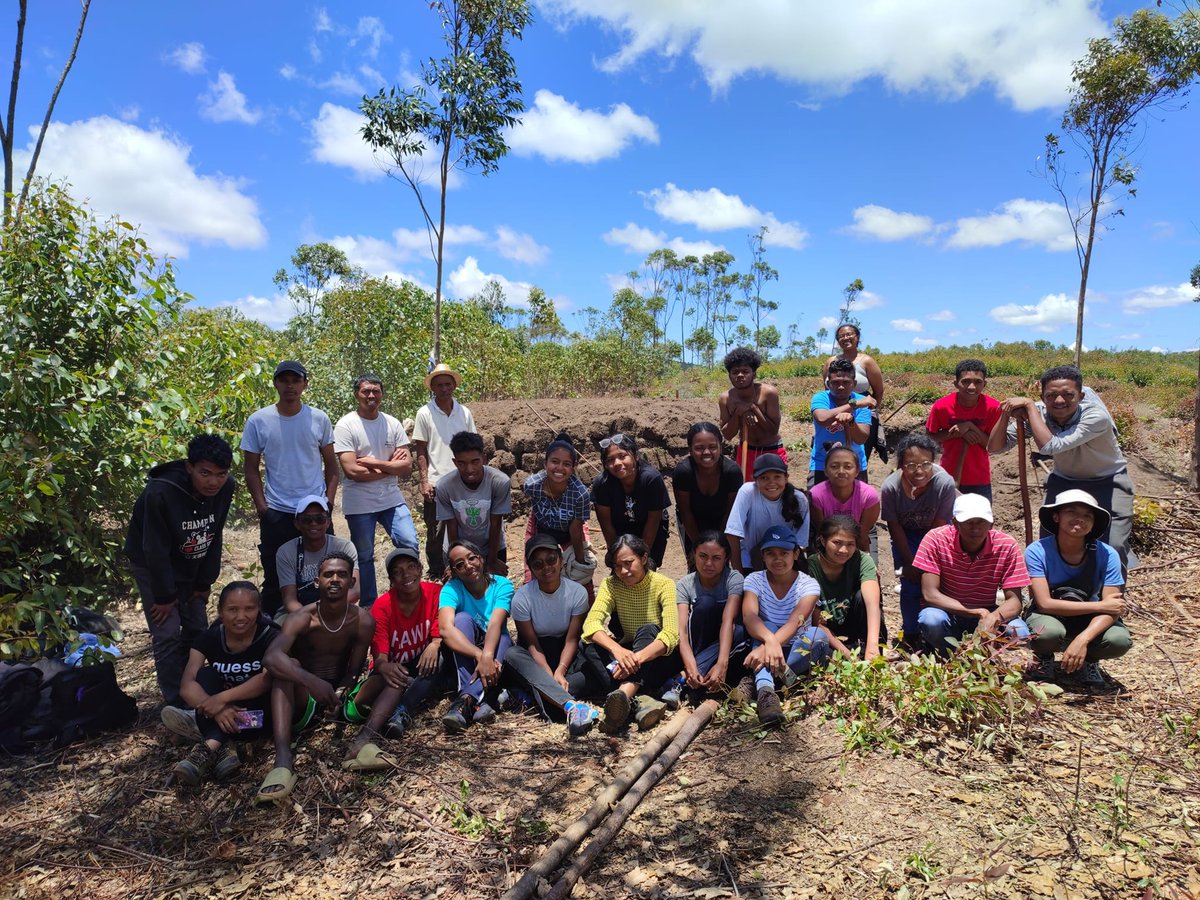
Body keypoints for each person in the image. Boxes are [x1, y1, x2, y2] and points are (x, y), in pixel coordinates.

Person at [126, 433, 235, 719]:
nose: (213, 482)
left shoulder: (226, 488)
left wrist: (203, 583)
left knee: (197, 626)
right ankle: (176, 703)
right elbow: (154, 549)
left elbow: (215, 533)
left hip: (193, 558)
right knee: (167, 632)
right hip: (153, 564)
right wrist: (164, 597)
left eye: (220, 474)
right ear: (189, 467)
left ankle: (196, 690)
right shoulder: (160, 492)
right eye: (205, 473)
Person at [988, 364, 1134, 568]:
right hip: (1065, 480)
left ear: (1081, 396)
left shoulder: (1095, 416)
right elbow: (994, 447)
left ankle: (1111, 598)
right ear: (1043, 396)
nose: (1059, 401)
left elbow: (1050, 447)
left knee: (1114, 545)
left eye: (1068, 395)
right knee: (1051, 539)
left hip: (1108, 482)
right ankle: (1051, 595)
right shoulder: (1039, 413)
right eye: (1051, 395)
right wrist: (1006, 413)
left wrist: (1029, 406)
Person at [258, 552, 373, 803]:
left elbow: (354, 668)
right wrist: (312, 682)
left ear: (352, 583)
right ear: (316, 582)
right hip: (303, 696)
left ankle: (365, 743)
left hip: (335, 696)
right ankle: (283, 759)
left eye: (342, 575)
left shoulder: (362, 620)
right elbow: (271, 657)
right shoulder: (302, 617)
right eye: (328, 574)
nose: (335, 579)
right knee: (286, 666)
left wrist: (341, 691)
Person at [242, 360, 339, 618]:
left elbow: (331, 465)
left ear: (305, 384)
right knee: (275, 576)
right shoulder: (259, 420)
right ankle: (273, 636)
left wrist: (327, 503)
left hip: (315, 510)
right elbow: (250, 468)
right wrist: (263, 508)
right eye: (284, 380)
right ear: (275, 383)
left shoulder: (318, 418)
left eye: (296, 380)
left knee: (325, 572)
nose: (290, 386)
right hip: (278, 510)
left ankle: (325, 628)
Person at [342, 547, 445, 771]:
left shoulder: (436, 593)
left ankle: (369, 736)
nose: (406, 575)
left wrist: (435, 643)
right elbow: (380, 657)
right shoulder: (383, 605)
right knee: (395, 677)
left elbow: (442, 626)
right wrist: (384, 666)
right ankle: (365, 737)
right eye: (398, 572)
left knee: (441, 658)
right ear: (391, 580)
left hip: (420, 665)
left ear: (420, 569)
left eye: (410, 567)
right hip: (387, 671)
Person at [171, 582, 278, 787]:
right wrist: (218, 709)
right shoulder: (208, 638)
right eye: (232, 609)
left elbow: (266, 680)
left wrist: (219, 700)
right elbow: (187, 685)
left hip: (259, 717)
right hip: (219, 715)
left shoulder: (271, 635)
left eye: (249, 609)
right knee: (206, 674)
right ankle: (223, 747)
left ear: (259, 610)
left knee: (270, 686)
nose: (241, 616)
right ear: (220, 612)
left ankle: (207, 748)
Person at [1025, 491, 1132, 686]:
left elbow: (1113, 608)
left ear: (1093, 523)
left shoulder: (1107, 555)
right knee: (1046, 633)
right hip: (1051, 616)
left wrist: (1083, 639)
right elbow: (1044, 604)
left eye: (1087, 515)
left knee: (1119, 640)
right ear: (1056, 516)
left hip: (1089, 620)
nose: (1079, 519)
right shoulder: (1037, 551)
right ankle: (1043, 657)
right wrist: (1100, 606)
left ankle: (1090, 660)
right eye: (1071, 512)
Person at [334, 373, 418, 608]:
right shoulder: (346, 425)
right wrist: (390, 467)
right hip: (359, 504)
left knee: (409, 542)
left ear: (382, 394)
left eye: (376, 391)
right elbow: (352, 470)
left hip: (391, 498)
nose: (371, 395)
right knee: (364, 555)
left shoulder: (391, 423)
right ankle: (370, 605)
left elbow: (406, 466)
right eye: (366, 391)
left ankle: (401, 594)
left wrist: (373, 462)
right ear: (356, 394)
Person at [506, 534, 602, 736]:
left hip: (567, 655)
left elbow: (573, 638)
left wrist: (560, 670)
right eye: (538, 564)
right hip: (537, 657)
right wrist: (549, 676)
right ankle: (570, 705)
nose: (546, 568)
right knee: (512, 654)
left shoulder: (577, 592)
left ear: (561, 560)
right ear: (531, 568)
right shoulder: (522, 598)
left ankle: (540, 695)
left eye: (551, 560)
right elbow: (531, 644)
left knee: (596, 666)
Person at [579, 535, 676, 734]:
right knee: (587, 645)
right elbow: (590, 624)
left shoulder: (663, 584)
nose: (623, 571)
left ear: (644, 558)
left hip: (655, 658)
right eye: (617, 566)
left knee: (648, 629)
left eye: (628, 563)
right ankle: (639, 698)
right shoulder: (611, 584)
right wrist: (618, 650)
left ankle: (623, 694)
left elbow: (671, 634)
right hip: (629, 657)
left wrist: (635, 659)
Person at [913, 495, 1031, 654]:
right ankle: (947, 654)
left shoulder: (1007, 546)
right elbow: (930, 594)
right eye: (969, 523)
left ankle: (987, 657)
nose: (975, 529)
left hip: (988, 612)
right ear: (955, 523)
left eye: (981, 522)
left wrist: (994, 617)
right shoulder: (935, 539)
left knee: (1020, 633)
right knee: (931, 620)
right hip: (948, 612)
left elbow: (1015, 601)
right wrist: (975, 612)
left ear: (991, 524)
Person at [741, 525, 830, 726]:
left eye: (784, 553)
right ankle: (767, 695)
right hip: (766, 643)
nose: (778, 559)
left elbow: (794, 622)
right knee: (768, 625)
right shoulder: (754, 580)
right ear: (763, 557)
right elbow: (749, 616)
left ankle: (761, 681)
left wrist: (768, 645)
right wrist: (770, 640)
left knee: (819, 637)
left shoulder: (808, 585)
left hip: (795, 650)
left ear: (796, 554)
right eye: (771, 553)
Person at [879, 433, 956, 642]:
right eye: (911, 465)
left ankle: (942, 631)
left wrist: (924, 562)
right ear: (902, 465)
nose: (919, 471)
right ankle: (911, 634)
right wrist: (909, 561)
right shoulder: (890, 488)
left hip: (936, 533)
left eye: (925, 464)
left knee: (937, 581)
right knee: (910, 582)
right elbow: (894, 526)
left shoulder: (944, 483)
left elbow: (940, 523)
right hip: (906, 535)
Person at [437, 540, 514, 732]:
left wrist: (487, 655)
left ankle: (465, 702)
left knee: (504, 638)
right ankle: (485, 699)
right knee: (461, 619)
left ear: (481, 558)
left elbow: (496, 623)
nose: (468, 565)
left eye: (471, 558)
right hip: (468, 648)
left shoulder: (502, 584)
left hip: (495, 644)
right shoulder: (451, 588)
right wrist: (479, 655)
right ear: (454, 571)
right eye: (460, 564)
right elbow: (446, 629)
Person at [412, 362, 477, 577]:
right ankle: (437, 572)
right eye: (439, 385)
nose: (444, 388)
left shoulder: (464, 412)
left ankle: (462, 568)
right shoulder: (425, 413)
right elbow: (421, 449)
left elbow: (473, 445)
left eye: (448, 384)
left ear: (454, 386)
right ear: (432, 387)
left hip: (463, 479)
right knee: (436, 531)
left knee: (466, 525)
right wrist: (424, 481)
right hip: (437, 481)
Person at [521, 434, 597, 593]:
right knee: (534, 575)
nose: (560, 468)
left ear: (573, 467)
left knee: (580, 578)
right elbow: (534, 514)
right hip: (541, 528)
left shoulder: (580, 494)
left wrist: (580, 561)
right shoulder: (532, 485)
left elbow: (575, 530)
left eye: (567, 464)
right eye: (554, 461)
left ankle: (586, 612)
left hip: (569, 532)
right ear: (545, 463)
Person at [675, 531, 746, 700]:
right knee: (705, 603)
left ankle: (684, 680)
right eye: (703, 556)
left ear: (726, 559)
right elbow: (682, 632)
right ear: (693, 556)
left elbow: (728, 620)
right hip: (698, 644)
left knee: (739, 631)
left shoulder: (734, 579)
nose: (708, 563)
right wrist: (690, 665)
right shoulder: (685, 584)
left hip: (727, 644)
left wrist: (722, 664)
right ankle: (695, 674)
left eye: (716, 558)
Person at [807, 516, 885, 660]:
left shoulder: (862, 560)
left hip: (855, 628)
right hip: (826, 634)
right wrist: (848, 655)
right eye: (837, 543)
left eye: (850, 544)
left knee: (862, 596)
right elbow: (816, 621)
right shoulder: (810, 568)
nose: (844, 550)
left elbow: (872, 606)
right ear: (823, 541)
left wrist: (872, 647)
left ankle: (870, 650)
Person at [436, 431, 512, 576]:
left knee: (492, 590)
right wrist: (455, 563)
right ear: (454, 462)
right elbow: (451, 525)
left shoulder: (499, 482)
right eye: (462, 463)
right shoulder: (444, 486)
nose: (469, 469)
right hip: (457, 546)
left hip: (492, 545)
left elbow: (496, 523)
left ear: (484, 459)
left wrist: (492, 560)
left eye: (475, 462)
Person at [592, 432, 671, 568]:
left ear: (634, 456)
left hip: (651, 530)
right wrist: (615, 555)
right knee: (621, 571)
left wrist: (641, 556)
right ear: (605, 465)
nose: (617, 463)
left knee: (646, 571)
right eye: (610, 460)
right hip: (620, 530)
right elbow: (606, 525)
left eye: (623, 456)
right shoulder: (602, 484)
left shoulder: (651, 479)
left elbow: (653, 521)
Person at [926, 360, 1002, 500]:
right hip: (948, 476)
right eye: (966, 381)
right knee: (947, 520)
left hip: (979, 478)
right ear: (956, 383)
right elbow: (929, 438)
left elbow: (993, 445)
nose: (972, 387)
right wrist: (953, 434)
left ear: (984, 384)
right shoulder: (941, 407)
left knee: (979, 520)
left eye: (978, 382)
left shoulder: (993, 408)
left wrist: (970, 427)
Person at [725, 453, 810, 574]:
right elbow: (732, 532)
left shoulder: (799, 499)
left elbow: (800, 543)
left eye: (777, 477)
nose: (771, 483)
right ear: (755, 480)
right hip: (751, 560)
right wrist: (738, 572)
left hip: (785, 561)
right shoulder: (748, 492)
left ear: (786, 478)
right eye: (764, 478)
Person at [672, 422, 743, 563]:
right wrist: (698, 546)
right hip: (692, 523)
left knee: (721, 563)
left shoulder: (732, 472)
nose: (706, 453)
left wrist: (720, 544)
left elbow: (730, 512)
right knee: (697, 562)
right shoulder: (683, 473)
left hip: (724, 522)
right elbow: (685, 512)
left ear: (720, 448)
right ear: (690, 450)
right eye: (699, 448)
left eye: (712, 447)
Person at [276, 496, 360, 614]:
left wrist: (326, 614)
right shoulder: (286, 552)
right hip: (300, 613)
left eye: (320, 519)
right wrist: (311, 619)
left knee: (365, 622)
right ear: (297, 524)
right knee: (281, 630)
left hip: (339, 610)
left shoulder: (344, 547)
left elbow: (354, 592)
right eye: (307, 519)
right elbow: (290, 600)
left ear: (328, 523)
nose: (314, 523)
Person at [718, 346, 785, 480]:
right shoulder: (726, 398)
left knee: (773, 490)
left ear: (754, 374)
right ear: (729, 376)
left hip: (771, 450)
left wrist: (753, 408)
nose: (740, 375)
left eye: (745, 371)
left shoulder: (768, 393)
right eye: (735, 372)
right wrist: (738, 413)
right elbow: (727, 435)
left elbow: (773, 430)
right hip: (746, 451)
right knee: (746, 491)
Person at [822, 322, 885, 463]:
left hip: (861, 413)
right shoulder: (831, 362)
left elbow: (878, 390)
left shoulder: (867, 361)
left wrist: (871, 412)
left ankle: (859, 483)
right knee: (834, 453)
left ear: (857, 337)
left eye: (849, 334)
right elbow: (827, 389)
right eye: (841, 336)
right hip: (836, 413)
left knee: (858, 453)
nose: (845, 338)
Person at [810, 359, 874, 487]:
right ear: (828, 383)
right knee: (817, 504)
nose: (840, 387)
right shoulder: (821, 398)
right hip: (822, 464)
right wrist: (854, 405)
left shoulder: (862, 401)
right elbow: (823, 419)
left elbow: (861, 438)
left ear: (854, 383)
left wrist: (850, 421)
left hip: (854, 465)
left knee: (856, 506)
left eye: (846, 382)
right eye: (835, 383)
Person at [808, 443, 880, 555]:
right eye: (834, 466)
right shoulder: (816, 495)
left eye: (848, 467)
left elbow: (862, 535)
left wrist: (866, 563)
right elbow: (821, 533)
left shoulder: (869, 496)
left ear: (857, 471)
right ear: (826, 471)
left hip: (860, 537)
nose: (841, 471)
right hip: (829, 539)